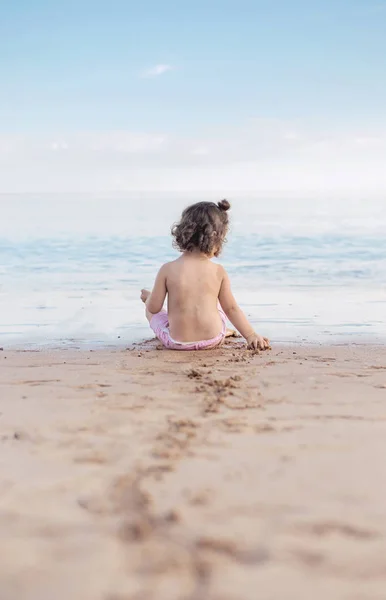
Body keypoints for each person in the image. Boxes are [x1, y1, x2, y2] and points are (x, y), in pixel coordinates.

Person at [141, 199, 270, 352]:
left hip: (177, 343)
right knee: (219, 308)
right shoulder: (218, 271)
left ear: (182, 233)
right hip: (213, 339)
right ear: (218, 239)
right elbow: (232, 309)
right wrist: (250, 335)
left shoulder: (167, 269)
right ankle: (224, 330)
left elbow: (154, 308)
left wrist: (148, 299)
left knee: (150, 312)